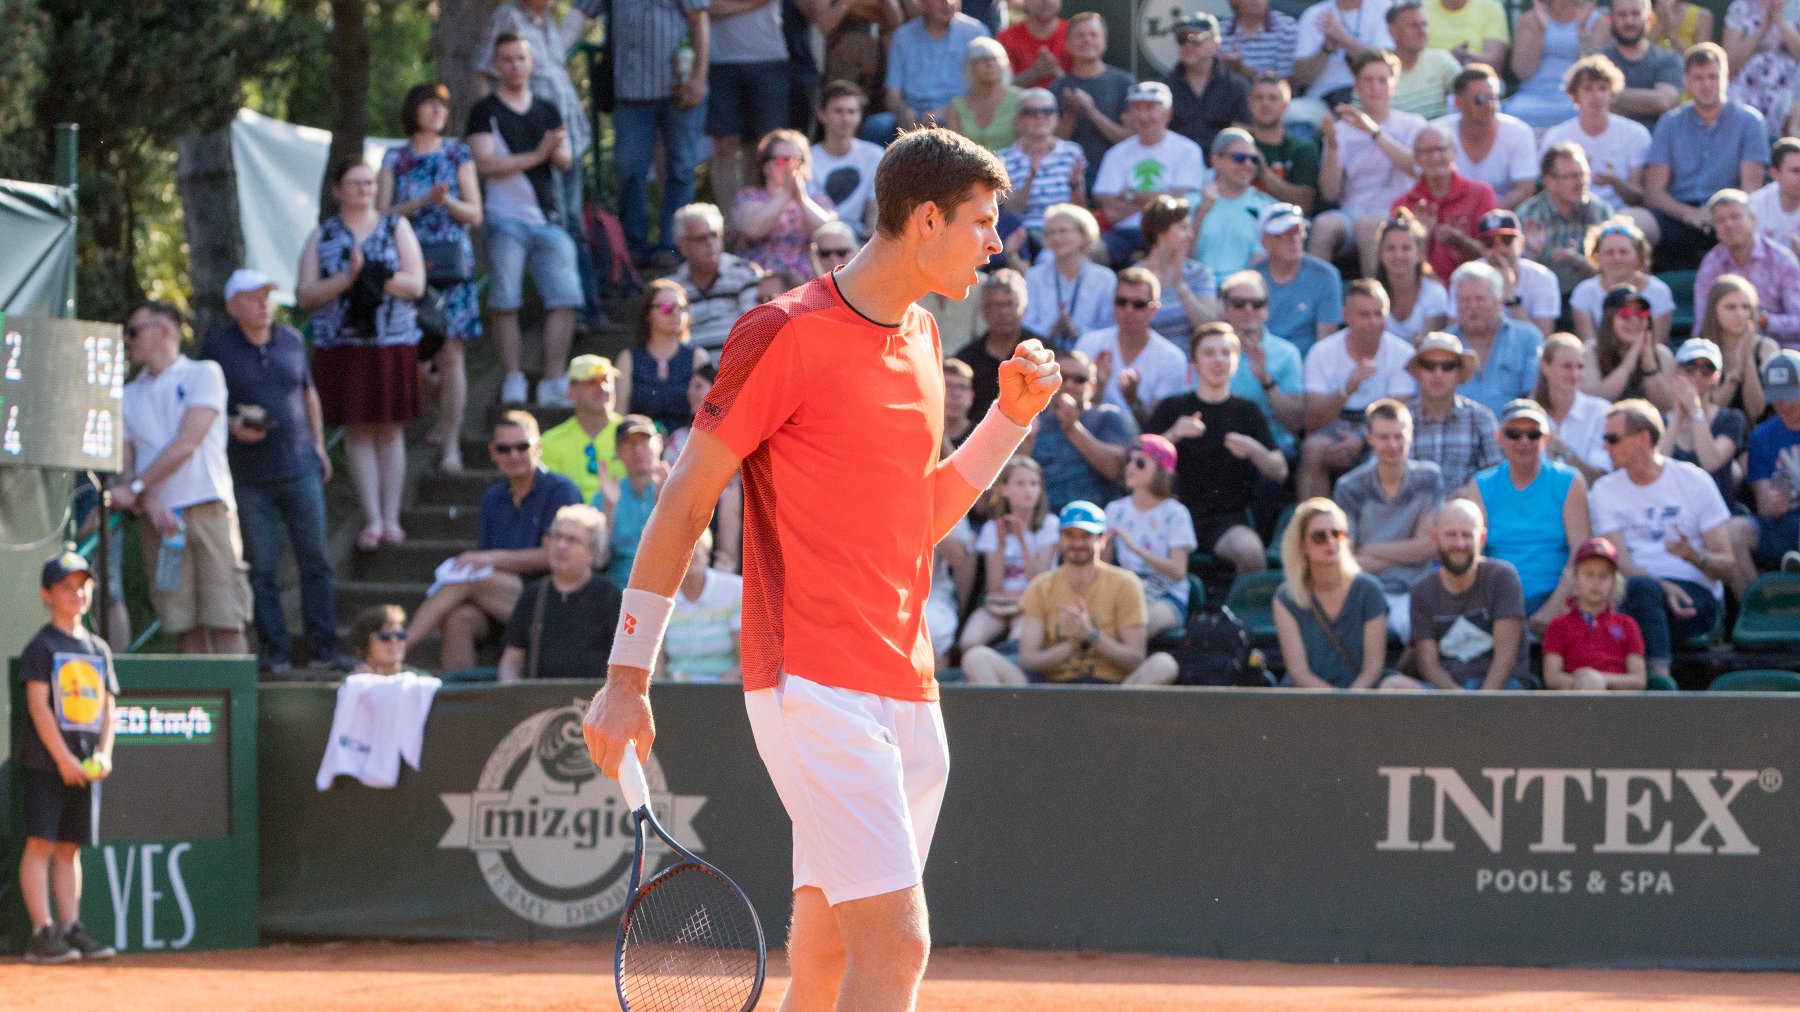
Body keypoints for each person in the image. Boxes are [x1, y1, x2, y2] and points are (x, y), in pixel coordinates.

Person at [582, 128, 1061, 1009]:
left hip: (908, 686)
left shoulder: (921, 338)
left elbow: (915, 520)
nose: (996, 245)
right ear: (925, 219)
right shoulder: (781, 333)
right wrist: (625, 677)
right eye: (982, 223)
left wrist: (1008, 423)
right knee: (899, 946)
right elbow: (684, 503)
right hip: (811, 683)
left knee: (833, 950)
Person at [200, 270, 341, 673]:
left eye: (267, 296)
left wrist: (318, 447)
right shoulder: (216, 350)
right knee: (261, 568)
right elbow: (205, 406)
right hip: (248, 478)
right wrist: (231, 426)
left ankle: (323, 651)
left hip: (300, 468)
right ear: (232, 306)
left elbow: (308, 392)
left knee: (315, 560)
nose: (263, 304)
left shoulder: (293, 340)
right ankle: (275, 652)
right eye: (252, 297)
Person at [298, 159, 428, 548]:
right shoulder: (322, 235)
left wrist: (373, 276)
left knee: (390, 429)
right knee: (356, 431)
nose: (364, 190)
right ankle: (371, 519)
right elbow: (306, 293)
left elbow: (416, 283)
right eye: (354, 183)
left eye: (369, 183)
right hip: (342, 345)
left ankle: (392, 519)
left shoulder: (395, 226)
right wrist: (348, 279)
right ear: (337, 190)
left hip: (391, 341)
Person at [114, 302, 252, 656]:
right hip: (159, 523)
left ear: (165, 329)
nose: (128, 340)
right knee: (181, 623)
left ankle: (236, 708)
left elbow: (187, 443)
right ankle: (200, 706)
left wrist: (138, 490)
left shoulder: (204, 374)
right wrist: (149, 502)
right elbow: (125, 465)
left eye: (134, 331)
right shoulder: (127, 395)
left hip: (208, 509)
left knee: (226, 618)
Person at [406, 412, 583, 671]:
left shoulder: (560, 490)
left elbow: (553, 557)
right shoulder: (493, 497)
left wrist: (487, 559)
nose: (513, 455)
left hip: (553, 599)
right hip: (501, 599)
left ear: (538, 447)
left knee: (469, 577)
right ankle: (459, 699)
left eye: (522, 447)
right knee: (458, 618)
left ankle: (398, 647)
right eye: (504, 448)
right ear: (493, 452)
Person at [15, 552, 118, 965]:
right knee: (41, 843)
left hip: (85, 764)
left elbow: (109, 709)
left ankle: (71, 929)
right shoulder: (41, 647)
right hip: (47, 763)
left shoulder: (98, 649)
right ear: (46, 595)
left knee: (69, 848)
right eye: (67, 587)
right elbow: (39, 708)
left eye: (83, 586)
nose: (77, 594)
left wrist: (104, 754)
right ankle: (43, 932)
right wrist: (61, 759)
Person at [468, 32, 580, 407]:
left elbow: (563, 162)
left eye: (521, 58)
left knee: (565, 297)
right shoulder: (484, 110)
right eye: (507, 59)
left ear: (531, 64)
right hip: (504, 219)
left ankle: (553, 379)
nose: (515, 65)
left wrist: (554, 150)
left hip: (547, 219)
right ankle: (513, 377)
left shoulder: (548, 109)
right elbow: (485, 164)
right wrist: (537, 154)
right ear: (497, 65)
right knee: (505, 301)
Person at [1590, 398, 1736, 681]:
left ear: (1643, 439)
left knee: (1631, 606)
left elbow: (1728, 567)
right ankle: (1659, 680)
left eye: (1613, 438)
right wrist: (1660, 586)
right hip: (1634, 589)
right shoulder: (1604, 490)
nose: (1605, 446)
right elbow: (1621, 562)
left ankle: (1654, 685)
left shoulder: (1694, 481)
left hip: (1692, 598)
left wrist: (1694, 555)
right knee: (1639, 591)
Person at [379, 82, 484, 472]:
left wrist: (447, 201)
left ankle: (451, 444)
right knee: (414, 357)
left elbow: (475, 213)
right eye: (429, 105)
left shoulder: (459, 153)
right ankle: (442, 414)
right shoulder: (395, 158)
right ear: (414, 110)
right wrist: (421, 202)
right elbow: (382, 213)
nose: (437, 112)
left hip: (452, 267)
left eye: (442, 105)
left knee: (451, 353)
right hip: (407, 267)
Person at [960, 501, 1180, 685]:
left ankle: (1112, 728)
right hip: (1051, 692)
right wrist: (1071, 645)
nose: (1077, 543)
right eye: (1069, 535)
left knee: (1164, 664)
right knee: (976, 658)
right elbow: (1028, 660)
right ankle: (1020, 733)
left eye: (1086, 535)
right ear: (1060, 538)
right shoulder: (1041, 586)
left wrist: (1091, 636)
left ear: (1102, 540)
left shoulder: (1126, 584)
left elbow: (1134, 659)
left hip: (1112, 693)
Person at [478, 0, 600, 320]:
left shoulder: (548, 22)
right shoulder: (507, 17)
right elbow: (484, 70)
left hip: (566, 137)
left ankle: (588, 309)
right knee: (560, 225)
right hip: (532, 144)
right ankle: (577, 311)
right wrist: (490, 120)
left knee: (574, 224)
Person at [1149, 322, 1288, 576]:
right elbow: (1136, 465)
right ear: (1194, 362)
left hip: (1224, 520)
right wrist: (1172, 436)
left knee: (1251, 551)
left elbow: (1279, 471)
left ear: (1236, 361)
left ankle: (1238, 615)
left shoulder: (1247, 411)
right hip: (1169, 514)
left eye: (1226, 353)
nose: (1218, 360)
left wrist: (1254, 449)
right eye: (1209, 353)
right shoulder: (1173, 408)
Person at [1643, 42, 1771, 269]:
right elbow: (1654, 192)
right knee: (1635, 223)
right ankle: (1631, 299)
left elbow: (1752, 191)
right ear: (1686, 81)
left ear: (1727, 78)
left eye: (1713, 77)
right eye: (1699, 77)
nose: (1706, 84)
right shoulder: (1669, 123)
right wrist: (1688, 213)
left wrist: (1720, 215)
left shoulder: (1750, 122)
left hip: (1729, 214)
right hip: (1679, 212)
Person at [1381, 499, 1531, 690]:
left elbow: (1506, 657)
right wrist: (1460, 701)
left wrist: (1483, 703)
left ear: (1482, 538)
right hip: (1448, 692)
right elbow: (1428, 664)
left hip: (1501, 690)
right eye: (1451, 534)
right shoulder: (1422, 589)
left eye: (1467, 535)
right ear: (1435, 537)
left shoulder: (1502, 577)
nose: (1459, 543)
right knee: (1391, 686)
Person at [1469, 398, 1591, 632]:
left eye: (1533, 434)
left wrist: (1552, 610)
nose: (1524, 441)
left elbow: (1580, 552)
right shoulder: (1481, 484)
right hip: (1498, 599)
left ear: (1545, 439)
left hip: (1554, 595)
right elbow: (1475, 553)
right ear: (1500, 438)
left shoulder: (1569, 481)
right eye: (1514, 434)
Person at [607, 0, 709, 266]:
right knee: (629, 170)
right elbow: (579, 14)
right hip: (630, 92)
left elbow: (699, 19)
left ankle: (673, 246)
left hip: (681, 89)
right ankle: (633, 248)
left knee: (682, 169)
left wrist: (699, 78)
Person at [1298, 279, 1420, 501]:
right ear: (1346, 317)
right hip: (1335, 424)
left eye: (1379, 314)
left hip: (1380, 428)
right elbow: (1312, 421)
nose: (1373, 322)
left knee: (1382, 454)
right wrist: (1347, 388)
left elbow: (1397, 413)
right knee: (1313, 449)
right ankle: (1312, 524)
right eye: (1364, 315)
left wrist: (1362, 441)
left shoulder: (1403, 354)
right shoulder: (1322, 352)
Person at [1332, 398, 1445, 637]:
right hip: (1365, 590)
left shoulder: (1429, 478)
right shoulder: (1349, 487)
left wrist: (1367, 549)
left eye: (1399, 436)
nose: (1393, 445)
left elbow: (1430, 547)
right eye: (1384, 437)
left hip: (1416, 590)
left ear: (1411, 434)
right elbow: (1346, 560)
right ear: (1369, 437)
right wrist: (1411, 553)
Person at [1313, 50, 1427, 280]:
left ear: (1394, 86)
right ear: (1356, 86)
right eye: (1368, 80)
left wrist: (1374, 131)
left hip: (1398, 212)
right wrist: (1333, 150)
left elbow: (1416, 167)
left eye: (1382, 80)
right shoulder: (1341, 131)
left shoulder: (1413, 125)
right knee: (1322, 226)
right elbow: (1329, 192)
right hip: (1351, 212)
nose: (1375, 87)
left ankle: (1372, 304)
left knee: (1369, 226)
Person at [1271, 497, 1390, 689]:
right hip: (1306, 701)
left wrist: (1348, 702)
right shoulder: (1287, 597)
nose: (1330, 541)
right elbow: (1299, 673)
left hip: (1359, 699)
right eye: (1319, 536)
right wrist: (1334, 703)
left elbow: (1373, 668)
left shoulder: (1370, 591)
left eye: (1336, 533)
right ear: (1303, 545)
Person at [499, 504, 622, 682]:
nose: (561, 545)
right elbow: (512, 659)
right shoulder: (533, 595)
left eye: (572, 540)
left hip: (594, 704)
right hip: (541, 703)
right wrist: (514, 695)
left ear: (593, 552)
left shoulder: (609, 597)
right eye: (557, 537)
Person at [1091, 81, 1206, 266]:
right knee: (1092, 253)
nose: (1144, 116)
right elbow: (1110, 213)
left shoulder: (1188, 150)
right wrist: (1159, 202)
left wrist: (1128, 195)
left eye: (1150, 108)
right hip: (1122, 233)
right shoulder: (1116, 154)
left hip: (1166, 233)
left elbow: (1179, 206)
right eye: (1137, 108)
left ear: (1167, 114)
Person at [959, 456, 1058, 651]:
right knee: (968, 642)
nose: (1028, 490)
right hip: (999, 605)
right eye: (1020, 484)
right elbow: (994, 587)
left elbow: (1038, 581)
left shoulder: (1050, 524)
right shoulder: (991, 528)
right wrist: (1002, 544)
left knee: (1017, 642)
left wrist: (1022, 542)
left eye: (1034, 483)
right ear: (1004, 489)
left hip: (1034, 604)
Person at [1104, 434, 1199, 636]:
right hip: (1124, 592)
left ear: (1160, 471)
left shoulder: (1176, 513)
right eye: (1129, 460)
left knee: (1134, 627)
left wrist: (1135, 548)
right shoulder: (1114, 510)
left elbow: (1177, 570)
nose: (1130, 467)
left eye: (1140, 462)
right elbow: (1104, 564)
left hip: (1166, 596)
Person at [1539, 55, 1651, 220]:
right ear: (1575, 95)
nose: (1596, 95)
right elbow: (1548, 189)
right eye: (1588, 88)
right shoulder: (1556, 136)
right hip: (1569, 216)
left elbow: (1640, 197)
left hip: (1620, 218)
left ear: (1612, 94)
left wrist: (1615, 182)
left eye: (1603, 88)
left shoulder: (1636, 134)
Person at [1075, 267, 1189, 427]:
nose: (1128, 310)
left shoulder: (1172, 359)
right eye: (1121, 302)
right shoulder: (1088, 343)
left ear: (1154, 309)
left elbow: (1160, 425)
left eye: (1139, 304)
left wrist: (1133, 400)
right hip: (1090, 434)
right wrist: (1098, 386)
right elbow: (1073, 409)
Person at [707, 0, 791, 211]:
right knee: (724, 145)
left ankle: (757, 215)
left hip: (768, 59)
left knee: (764, 147)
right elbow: (702, 6)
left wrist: (718, 8)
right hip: (719, 61)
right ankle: (730, 226)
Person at [1029, 349, 1137, 510]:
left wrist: (1073, 429)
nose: (1069, 385)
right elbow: (1013, 473)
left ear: (1092, 386)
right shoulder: (1032, 421)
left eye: (1080, 379)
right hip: (1042, 522)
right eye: (1062, 378)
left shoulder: (1110, 416)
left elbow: (1116, 470)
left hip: (1095, 521)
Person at [1695, 189, 1800, 351]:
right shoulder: (1711, 264)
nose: (1728, 225)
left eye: (1735, 217)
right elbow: (1702, 322)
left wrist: (1763, 321)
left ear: (1753, 219)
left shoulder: (1781, 259)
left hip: (1781, 353)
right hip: (1727, 354)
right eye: (1720, 220)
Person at [1390, 126, 1497, 282]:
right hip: (1423, 291)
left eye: (1441, 149)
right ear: (1416, 158)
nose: (1434, 157)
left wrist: (1460, 242)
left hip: (1474, 288)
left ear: (1454, 152)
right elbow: (1396, 266)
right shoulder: (1403, 205)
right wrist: (1421, 237)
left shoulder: (1481, 194)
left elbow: (1495, 256)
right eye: (1426, 151)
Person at [1220, 271, 1307, 460]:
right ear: (1225, 309)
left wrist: (1266, 380)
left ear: (1266, 310)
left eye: (1257, 303)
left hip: (1271, 447)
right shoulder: (1211, 350)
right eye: (1239, 303)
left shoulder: (1286, 354)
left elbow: (1295, 424)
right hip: (1219, 443)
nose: (1248, 309)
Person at [876, 0, 992, 142]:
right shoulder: (903, 36)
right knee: (877, 126)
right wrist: (903, 111)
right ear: (923, 3)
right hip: (913, 113)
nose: (948, 3)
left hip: (959, 111)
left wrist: (947, 111)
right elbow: (892, 94)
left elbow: (987, 89)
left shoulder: (976, 32)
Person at [1542, 536, 1647, 690]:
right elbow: (1552, 677)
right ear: (1575, 578)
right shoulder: (1559, 625)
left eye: (1603, 576)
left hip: (1619, 704)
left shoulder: (1628, 625)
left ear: (1614, 581)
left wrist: (1597, 679)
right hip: (1573, 704)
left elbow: (1639, 680)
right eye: (1589, 574)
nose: (1596, 582)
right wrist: (1584, 683)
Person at [1431, 65, 1539, 210]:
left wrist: (1487, 216)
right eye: (1480, 99)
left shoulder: (1520, 132)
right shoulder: (1436, 133)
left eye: (1494, 97)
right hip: (1449, 216)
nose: (1489, 105)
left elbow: (1525, 189)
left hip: (1502, 218)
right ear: (1458, 103)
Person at [1446, 260, 1546, 416]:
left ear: (1499, 303)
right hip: (1457, 434)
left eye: (1480, 299)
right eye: (1465, 300)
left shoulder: (1528, 339)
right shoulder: (1443, 345)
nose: (1472, 306)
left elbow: (1535, 396)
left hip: (1514, 434)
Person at [732, 128, 838, 275]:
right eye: (782, 161)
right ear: (766, 166)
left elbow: (831, 234)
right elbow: (753, 230)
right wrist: (785, 194)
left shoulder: (819, 200)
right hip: (761, 280)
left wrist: (802, 199)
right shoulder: (748, 197)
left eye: (796, 160)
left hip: (807, 281)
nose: (790, 167)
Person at [1403, 332, 1500, 492]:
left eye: (1447, 366)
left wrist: (1468, 494)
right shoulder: (1402, 419)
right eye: (1429, 365)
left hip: (1466, 509)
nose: (1438, 373)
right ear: (1418, 372)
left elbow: (1494, 477)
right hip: (1411, 511)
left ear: (1459, 373)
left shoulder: (1482, 418)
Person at [618, 279, 713, 437]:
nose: (675, 313)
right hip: (639, 448)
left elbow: (708, 413)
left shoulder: (698, 357)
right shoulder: (628, 359)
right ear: (647, 314)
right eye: (666, 308)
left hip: (687, 446)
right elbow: (619, 415)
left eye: (681, 308)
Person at [1050, 12, 1135, 188]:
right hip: (1067, 178)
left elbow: (1130, 139)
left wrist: (1092, 112)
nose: (1087, 40)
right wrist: (1070, 116)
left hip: (1116, 177)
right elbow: (1049, 148)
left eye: (1093, 35)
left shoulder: (1124, 84)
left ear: (1104, 42)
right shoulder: (1056, 89)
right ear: (1067, 43)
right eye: (1080, 35)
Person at [1516, 143, 1613, 297]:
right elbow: (1516, 279)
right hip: (1541, 297)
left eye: (1583, 175)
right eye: (1571, 176)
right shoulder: (1529, 214)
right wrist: (1533, 254)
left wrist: (1578, 262)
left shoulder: (1601, 212)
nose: (1580, 182)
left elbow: (1613, 273)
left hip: (1588, 299)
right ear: (1549, 182)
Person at [1664, 337, 1747, 510]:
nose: (1697, 374)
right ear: (1676, 371)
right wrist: (1677, 417)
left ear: (1717, 376)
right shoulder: (1660, 420)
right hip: (1670, 509)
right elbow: (1657, 462)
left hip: (1714, 513)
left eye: (1707, 369)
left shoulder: (1731, 419)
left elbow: (1710, 462)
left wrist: (1695, 411)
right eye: (1689, 367)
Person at [999, 88, 1088, 249]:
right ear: (1019, 120)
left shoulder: (1072, 152)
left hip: (1065, 228)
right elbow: (1012, 210)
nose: (1040, 117)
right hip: (1024, 231)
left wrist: (1075, 185)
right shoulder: (1004, 158)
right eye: (1031, 112)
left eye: (1048, 111)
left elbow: (1081, 209)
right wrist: (1031, 177)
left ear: (1056, 118)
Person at [672, 202, 767, 351]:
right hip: (692, 371)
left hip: (739, 366)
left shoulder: (745, 274)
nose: (710, 243)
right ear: (682, 246)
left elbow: (756, 328)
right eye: (700, 238)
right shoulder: (673, 288)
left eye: (714, 235)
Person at [1504, 0, 1608, 129]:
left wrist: (1581, 29)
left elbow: (1596, 72)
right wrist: (1542, 29)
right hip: (1533, 95)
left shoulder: (1596, 21)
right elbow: (1521, 71)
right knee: (1514, 112)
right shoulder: (1530, 19)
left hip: (1576, 96)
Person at [1258, 203, 1345, 357]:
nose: (1294, 239)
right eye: (1283, 234)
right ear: (1265, 242)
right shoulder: (1252, 279)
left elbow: (1326, 345)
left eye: (1298, 231)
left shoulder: (1326, 276)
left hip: (1308, 366)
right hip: (1262, 360)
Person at [1290, 0, 1395, 127]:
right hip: (1322, 101)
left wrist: (1343, 38)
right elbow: (1301, 78)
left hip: (1370, 97)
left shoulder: (1382, 8)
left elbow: (1386, 63)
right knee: (1291, 113)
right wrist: (1326, 48)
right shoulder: (1314, 14)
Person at [1022, 203, 1115, 346]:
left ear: (1084, 234)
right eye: (1050, 233)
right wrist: (1052, 328)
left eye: (1063, 231)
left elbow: (1109, 328)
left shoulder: (1105, 279)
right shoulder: (1034, 276)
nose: (1057, 238)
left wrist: (1077, 331)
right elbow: (1026, 324)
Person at [1570, 217, 1674, 344]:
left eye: (1623, 252)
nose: (1616, 258)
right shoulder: (1584, 292)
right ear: (1597, 258)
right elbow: (1588, 345)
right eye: (1609, 252)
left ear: (1639, 256)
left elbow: (1656, 344)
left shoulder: (1659, 291)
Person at [1741, 351, 1800, 576]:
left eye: (1789, 395)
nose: (1782, 404)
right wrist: (1774, 504)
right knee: (1735, 531)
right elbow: (1765, 506)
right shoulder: (1763, 436)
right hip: (1784, 526)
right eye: (1776, 396)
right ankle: (1759, 605)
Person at [955, 269, 1042, 418]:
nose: (1002, 312)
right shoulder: (967, 358)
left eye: (1008, 304)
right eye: (994, 305)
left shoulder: (1041, 351)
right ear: (983, 311)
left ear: (1023, 308)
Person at [1193, 129, 1277, 284]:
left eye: (1253, 159)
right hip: (1197, 288)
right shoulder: (1191, 202)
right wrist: (1202, 212)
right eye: (1239, 158)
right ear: (1215, 160)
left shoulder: (1269, 207)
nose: (1247, 164)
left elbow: (1263, 262)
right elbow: (1181, 257)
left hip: (1245, 293)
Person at [540, 354, 626, 504]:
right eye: (592, 382)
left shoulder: (632, 435)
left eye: (607, 380)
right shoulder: (550, 441)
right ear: (571, 392)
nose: (603, 388)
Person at [1697, 274, 1784, 422]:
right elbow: (1711, 408)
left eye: (1746, 307)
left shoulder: (1767, 348)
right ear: (1713, 310)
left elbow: (1757, 411)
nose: (1740, 314)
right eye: (1730, 307)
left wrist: (1748, 359)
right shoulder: (1700, 350)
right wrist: (1736, 372)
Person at [1163, 12, 1251, 156]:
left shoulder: (1237, 86)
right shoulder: (1164, 88)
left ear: (1216, 43)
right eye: (1182, 39)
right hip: (1174, 164)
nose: (1188, 45)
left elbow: (1242, 136)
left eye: (1195, 39)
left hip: (1222, 167)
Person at [806, 83, 884, 244]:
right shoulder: (807, 158)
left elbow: (874, 209)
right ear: (822, 115)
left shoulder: (874, 155)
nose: (846, 118)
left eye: (852, 112)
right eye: (838, 111)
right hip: (817, 239)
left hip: (858, 239)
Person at [1466, 209, 1561, 338]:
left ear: (1520, 243)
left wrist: (1511, 297)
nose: (1499, 249)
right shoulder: (1466, 277)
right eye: (1490, 243)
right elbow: (1457, 333)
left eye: (1506, 240)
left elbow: (1541, 340)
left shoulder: (1543, 278)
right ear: (1481, 248)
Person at [1533, 332, 1614, 483]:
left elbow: (1600, 480)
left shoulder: (1601, 412)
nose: (1575, 374)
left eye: (1580, 366)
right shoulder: (1529, 413)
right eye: (1567, 366)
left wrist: (1564, 451)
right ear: (1545, 367)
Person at [1140, 195, 1223, 340]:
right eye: (1183, 228)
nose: (1190, 235)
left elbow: (1210, 327)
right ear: (1160, 231)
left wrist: (1180, 286)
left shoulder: (1200, 273)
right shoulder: (1137, 275)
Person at [1582, 284, 1678, 411]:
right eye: (1625, 313)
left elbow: (1667, 406)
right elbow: (1596, 400)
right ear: (1609, 320)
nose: (1634, 320)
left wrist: (1649, 365)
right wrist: (1629, 363)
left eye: (1641, 313)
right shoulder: (1590, 352)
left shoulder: (1662, 354)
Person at [598, 415, 667, 587]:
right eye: (629, 444)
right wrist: (609, 508)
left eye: (644, 442)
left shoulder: (676, 491)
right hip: (620, 593)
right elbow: (598, 560)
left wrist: (665, 506)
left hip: (669, 590)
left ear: (659, 443)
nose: (637, 450)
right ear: (617, 452)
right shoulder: (606, 496)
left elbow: (691, 553)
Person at [1602, 0, 1685, 132]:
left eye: (1635, 14)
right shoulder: (1599, 61)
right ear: (1610, 19)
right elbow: (1588, 103)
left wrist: (1607, 95)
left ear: (1649, 18)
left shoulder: (1669, 60)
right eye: (1622, 15)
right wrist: (1646, 103)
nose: (1629, 21)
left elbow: (1664, 101)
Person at [1243, 74, 1320, 214]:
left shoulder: (1302, 148)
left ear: (1285, 105)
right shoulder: (1237, 143)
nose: (1265, 103)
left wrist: (1263, 171)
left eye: (1273, 98)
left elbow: (1304, 204)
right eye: (1259, 97)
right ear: (1250, 103)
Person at [1721, 0, 1800, 136]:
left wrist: (1779, 22)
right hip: (1745, 82)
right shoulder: (1740, 7)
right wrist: (1761, 29)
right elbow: (1730, 62)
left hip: (1791, 84)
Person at [1375, 209, 1450, 342]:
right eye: (1391, 248)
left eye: (1406, 248)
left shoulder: (1434, 293)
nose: (1398, 255)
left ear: (1420, 253)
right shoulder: (1372, 294)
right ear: (1380, 253)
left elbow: (1428, 348)